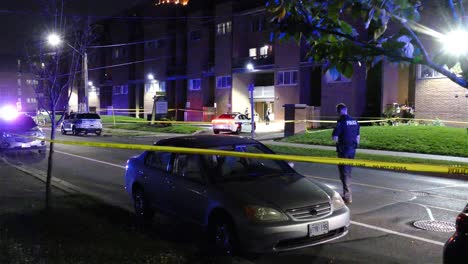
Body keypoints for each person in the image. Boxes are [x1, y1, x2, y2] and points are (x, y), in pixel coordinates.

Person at [332, 103, 360, 204]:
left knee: (344, 173)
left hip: (343, 150)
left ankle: (347, 196)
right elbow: (358, 137)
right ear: (346, 110)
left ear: (339, 111)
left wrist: (336, 136)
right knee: (348, 171)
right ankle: (346, 193)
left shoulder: (341, 122)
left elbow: (334, 138)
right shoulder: (354, 121)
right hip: (352, 149)